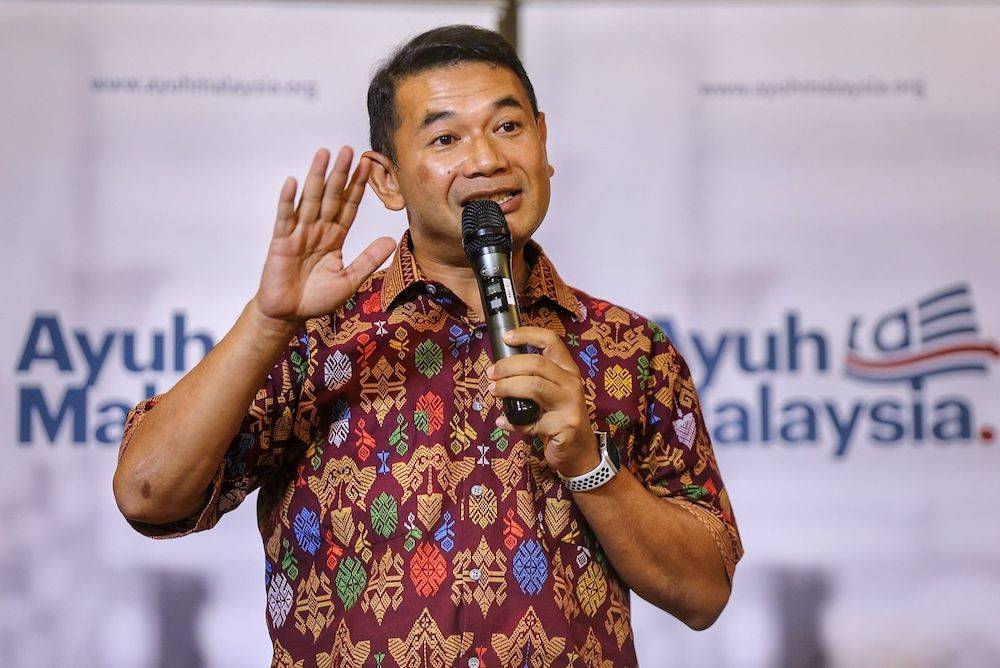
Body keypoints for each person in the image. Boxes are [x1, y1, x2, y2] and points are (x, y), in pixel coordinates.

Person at [113, 24, 742, 668]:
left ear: (544, 140)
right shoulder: (314, 337)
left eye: (508, 127)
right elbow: (147, 495)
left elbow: (703, 594)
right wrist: (270, 321)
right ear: (387, 181)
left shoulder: (628, 347)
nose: (488, 160)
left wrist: (588, 461)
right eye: (446, 138)